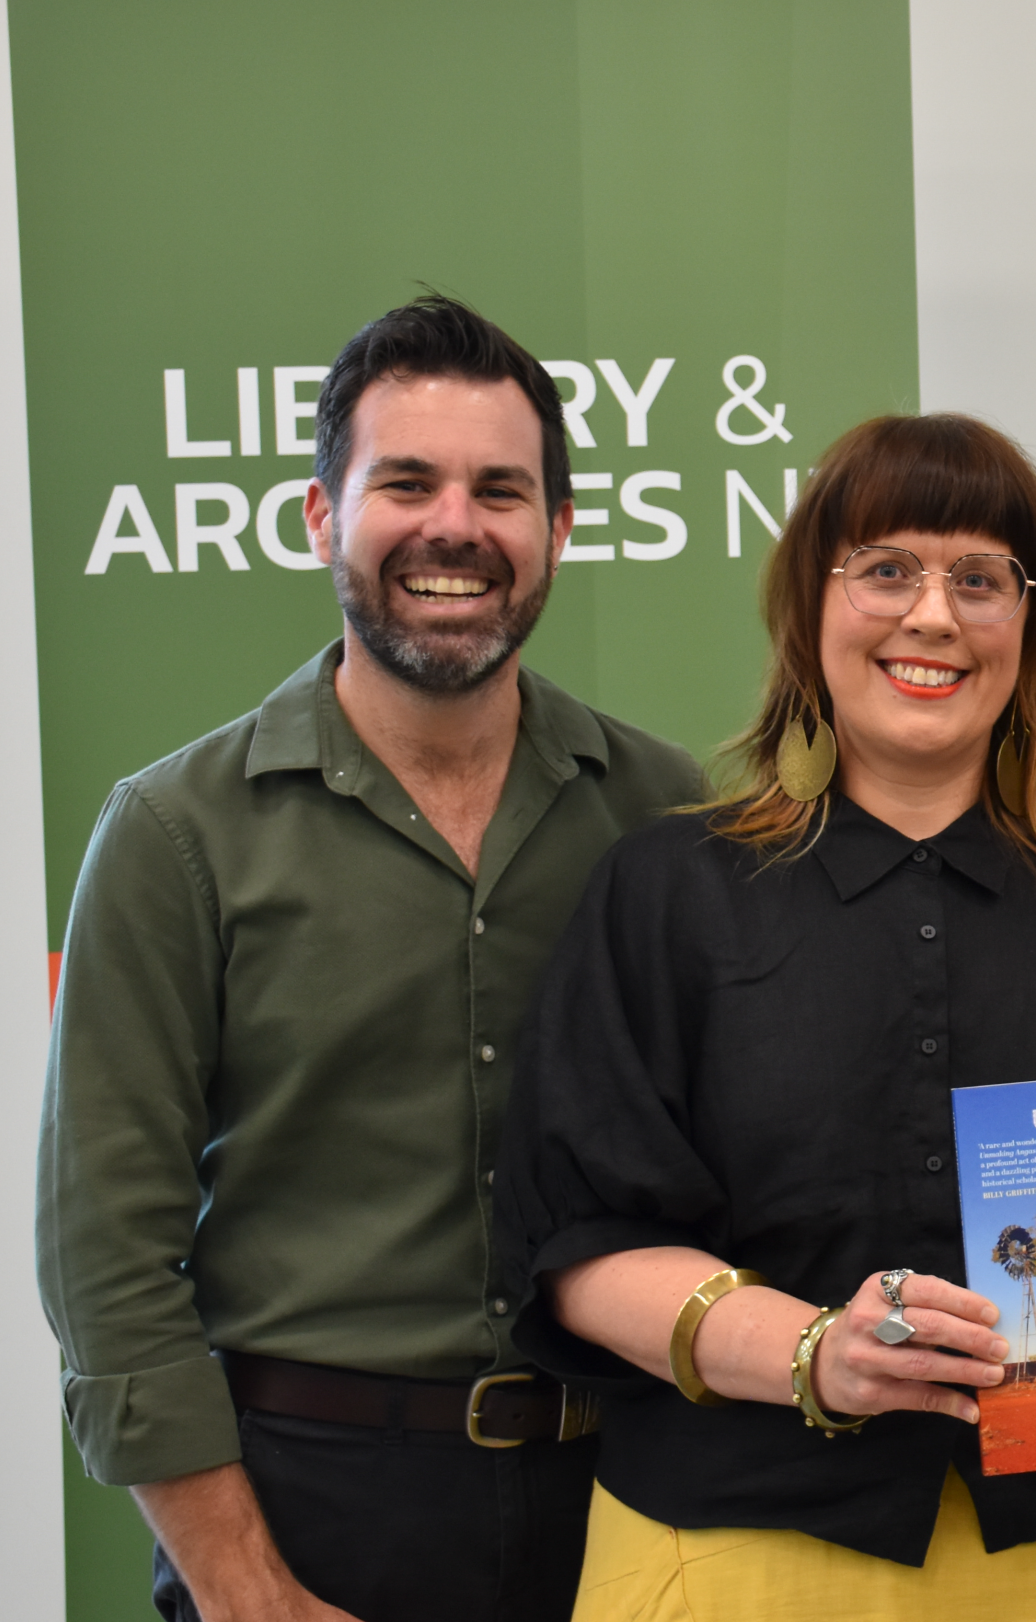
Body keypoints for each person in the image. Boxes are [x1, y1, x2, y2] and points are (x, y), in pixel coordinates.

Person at [495, 412, 1036, 1622]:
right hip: (745, 1556)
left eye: (980, 579)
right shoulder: (668, 896)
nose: (934, 616)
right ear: (810, 605)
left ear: (1030, 627)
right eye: (886, 567)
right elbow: (582, 1252)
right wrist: (811, 1354)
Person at [36, 294, 708, 1622]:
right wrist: (243, 1588)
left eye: (500, 490)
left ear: (559, 532)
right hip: (307, 1508)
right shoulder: (176, 832)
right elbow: (105, 1253)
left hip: (627, 1503)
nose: (454, 524)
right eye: (406, 480)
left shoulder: (661, 808)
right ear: (319, 516)